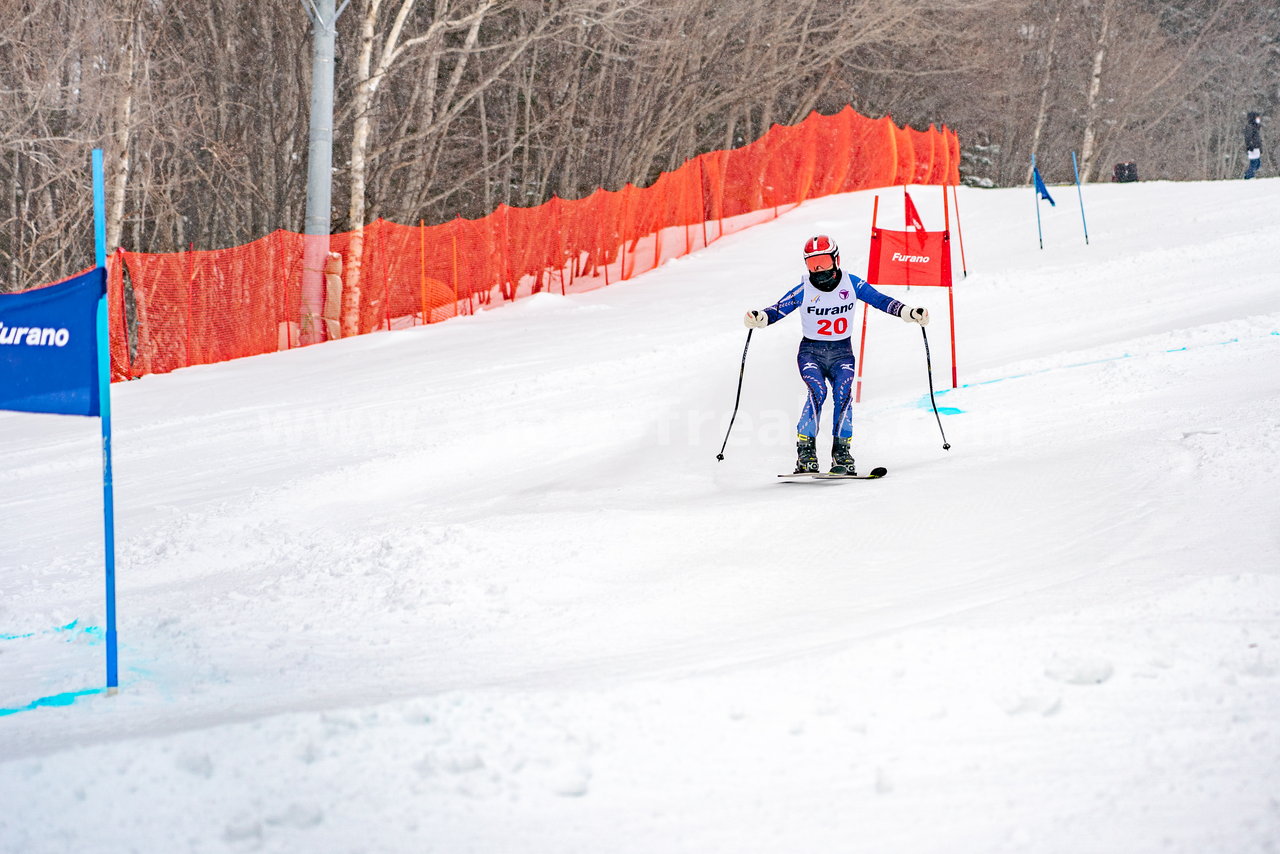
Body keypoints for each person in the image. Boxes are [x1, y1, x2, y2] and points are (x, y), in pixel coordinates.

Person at [744, 234, 929, 475]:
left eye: (823, 261)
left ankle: (841, 452)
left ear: (836, 259)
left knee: (843, 394)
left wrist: (908, 312)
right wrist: (760, 318)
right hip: (811, 352)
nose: (818, 268)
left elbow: (880, 300)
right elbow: (778, 309)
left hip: (842, 353)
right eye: (812, 263)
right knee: (818, 391)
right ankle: (806, 452)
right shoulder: (804, 288)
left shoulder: (851, 284)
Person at [1244, 112, 1263, 179]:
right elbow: (1248, 138)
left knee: (1258, 164)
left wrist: (1260, 148)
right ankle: (1248, 176)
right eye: (1257, 118)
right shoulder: (1250, 126)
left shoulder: (1256, 127)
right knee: (1254, 164)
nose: (1259, 119)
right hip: (1252, 148)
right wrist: (1250, 146)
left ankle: (1248, 175)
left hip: (1256, 148)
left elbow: (1258, 139)